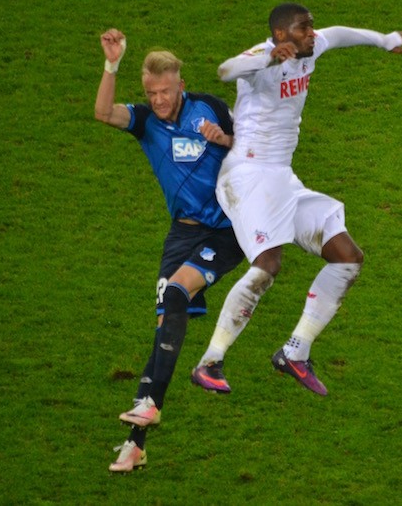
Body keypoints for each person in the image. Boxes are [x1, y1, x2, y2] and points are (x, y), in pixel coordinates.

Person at [189, 3, 402, 397]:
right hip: (247, 176)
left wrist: (388, 40)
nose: (312, 33)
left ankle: (295, 352)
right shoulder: (262, 60)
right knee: (267, 265)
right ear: (281, 35)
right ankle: (210, 361)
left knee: (348, 256)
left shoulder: (310, 48)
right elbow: (225, 70)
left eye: (311, 26)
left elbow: (341, 33)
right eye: (303, 28)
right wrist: (267, 56)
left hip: (282, 177)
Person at [94, 29, 245, 472]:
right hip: (181, 234)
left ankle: (147, 413)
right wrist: (111, 64)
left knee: (176, 295)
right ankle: (136, 441)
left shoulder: (209, 108)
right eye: (150, 92)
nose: (158, 100)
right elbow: (103, 112)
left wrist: (226, 141)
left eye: (165, 90)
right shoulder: (146, 122)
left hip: (226, 231)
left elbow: (257, 152)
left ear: (180, 84)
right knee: (165, 328)